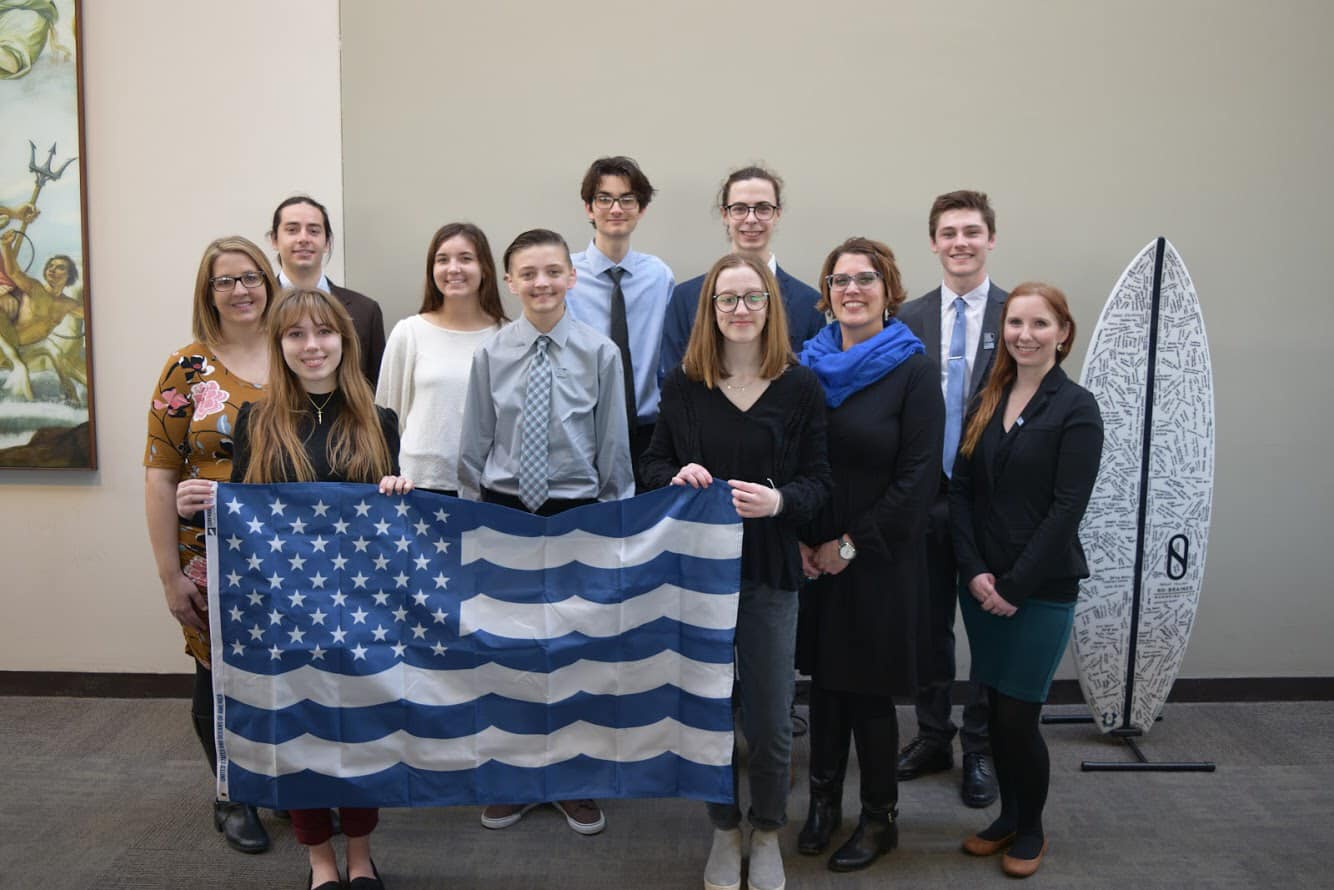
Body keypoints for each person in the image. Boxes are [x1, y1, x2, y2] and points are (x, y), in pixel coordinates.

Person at [642, 253, 832, 890]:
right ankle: (724, 830)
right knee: (707, 714)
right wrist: (675, 475)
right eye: (728, 299)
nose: (741, 310)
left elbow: (820, 483)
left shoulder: (800, 386)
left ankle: (769, 829)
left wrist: (780, 502)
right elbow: (651, 466)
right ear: (710, 309)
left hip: (771, 573)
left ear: (772, 308)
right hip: (697, 577)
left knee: (772, 719)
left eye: (754, 298)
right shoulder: (683, 384)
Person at [227, 287, 411, 890]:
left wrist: (400, 496)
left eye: (324, 332)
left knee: (359, 737)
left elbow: (393, 530)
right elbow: (238, 518)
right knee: (300, 737)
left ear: (344, 340)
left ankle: (360, 856)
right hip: (287, 616)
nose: (312, 346)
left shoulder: (377, 420)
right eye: (296, 335)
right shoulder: (257, 421)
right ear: (279, 345)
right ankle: (320, 863)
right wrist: (195, 503)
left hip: (362, 613)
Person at [458, 228, 633, 836]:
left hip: (577, 512)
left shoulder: (599, 353)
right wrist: (471, 519)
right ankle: (514, 775)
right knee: (510, 651)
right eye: (528, 273)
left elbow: (614, 447)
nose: (542, 283)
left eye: (553, 271)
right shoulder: (492, 353)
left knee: (575, 650)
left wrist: (616, 527)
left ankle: (572, 779)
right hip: (506, 511)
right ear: (509, 281)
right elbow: (475, 445)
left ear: (572, 277)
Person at [794, 238, 943, 872]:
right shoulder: (805, 366)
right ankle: (823, 804)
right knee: (825, 688)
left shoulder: (912, 368)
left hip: (878, 557)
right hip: (812, 555)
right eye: (839, 280)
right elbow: (793, 457)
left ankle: (880, 820)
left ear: (889, 290)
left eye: (866, 279)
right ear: (827, 293)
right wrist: (802, 538)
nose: (852, 289)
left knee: (868, 695)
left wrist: (847, 547)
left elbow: (917, 481)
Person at [950, 282, 1103, 878]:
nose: (1025, 335)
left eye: (1040, 324)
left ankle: (1031, 828)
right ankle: (1008, 817)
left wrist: (1013, 585)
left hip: (1039, 589)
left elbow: (1068, 509)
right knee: (992, 704)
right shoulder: (988, 398)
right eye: (1016, 323)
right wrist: (975, 572)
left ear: (1063, 333)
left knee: (1018, 716)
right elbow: (960, 492)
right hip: (981, 584)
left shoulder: (1076, 407)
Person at [143, 236, 277, 854]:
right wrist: (170, 576)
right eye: (226, 281)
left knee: (286, 675)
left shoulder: (299, 351)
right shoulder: (187, 367)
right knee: (216, 675)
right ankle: (232, 794)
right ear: (209, 292)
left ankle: (286, 784)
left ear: (268, 281)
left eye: (251, 276)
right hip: (211, 555)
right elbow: (160, 472)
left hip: (289, 555)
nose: (241, 290)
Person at [896, 189, 1007, 807]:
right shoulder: (907, 319)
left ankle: (981, 745)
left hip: (990, 503)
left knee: (985, 627)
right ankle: (933, 733)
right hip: (926, 498)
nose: (960, 242)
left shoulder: (1018, 314)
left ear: (991, 239)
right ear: (934, 243)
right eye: (949, 233)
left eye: (972, 231)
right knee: (928, 626)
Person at [376, 222, 507, 494]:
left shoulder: (507, 336)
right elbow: (385, 416)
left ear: (485, 268)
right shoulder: (409, 333)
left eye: (466, 259)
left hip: (488, 489)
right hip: (417, 486)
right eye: (442, 260)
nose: (453, 268)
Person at [659, 165, 824, 379]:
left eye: (763, 208)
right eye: (740, 208)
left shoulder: (809, 304)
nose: (751, 219)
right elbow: (672, 382)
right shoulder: (685, 298)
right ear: (725, 215)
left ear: (778, 214)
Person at [567, 155, 675, 483]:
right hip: (584, 432)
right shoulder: (565, 277)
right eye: (605, 199)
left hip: (649, 433)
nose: (616, 209)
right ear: (589, 207)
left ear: (641, 209)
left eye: (627, 199)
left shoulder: (659, 276)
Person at [268, 195, 386, 385]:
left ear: (327, 242)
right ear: (274, 240)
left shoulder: (365, 311)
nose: (303, 238)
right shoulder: (257, 307)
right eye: (292, 230)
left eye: (314, 231)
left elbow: (376, 387)